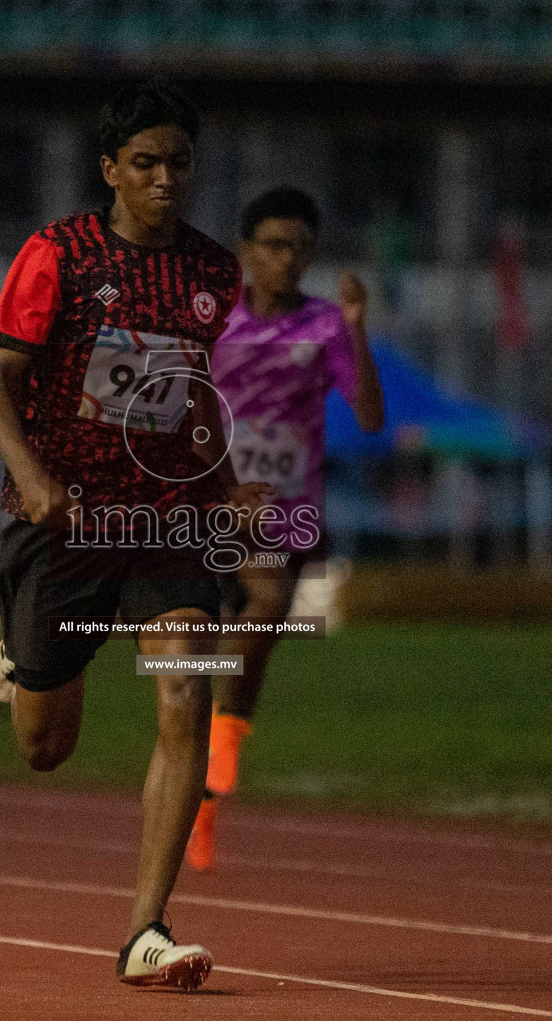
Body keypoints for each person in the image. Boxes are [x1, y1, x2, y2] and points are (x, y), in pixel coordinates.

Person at [0, 79, 269, 990]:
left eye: (180, 162)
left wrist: (227, 484)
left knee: (185, 695)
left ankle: (147, 930)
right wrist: (31, 476)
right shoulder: (57, 255)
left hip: (165, 523)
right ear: (111, 170)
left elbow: (194, 405)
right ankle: (20, 656)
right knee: (44, 747)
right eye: (146, 164)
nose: (167, 179)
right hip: (61, 520)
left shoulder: (216, 276)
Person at [186, 187, 385, 871]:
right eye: (276, 246)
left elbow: (367, 414)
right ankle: (203, 775)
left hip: (286, 508)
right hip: (209, 500)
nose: (291, 260)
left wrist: (357, 324)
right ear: (245, 253)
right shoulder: (210, 321)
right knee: (200, 642)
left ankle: (217, 765)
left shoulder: (326, 325)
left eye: (302, 248)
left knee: (265, 613)